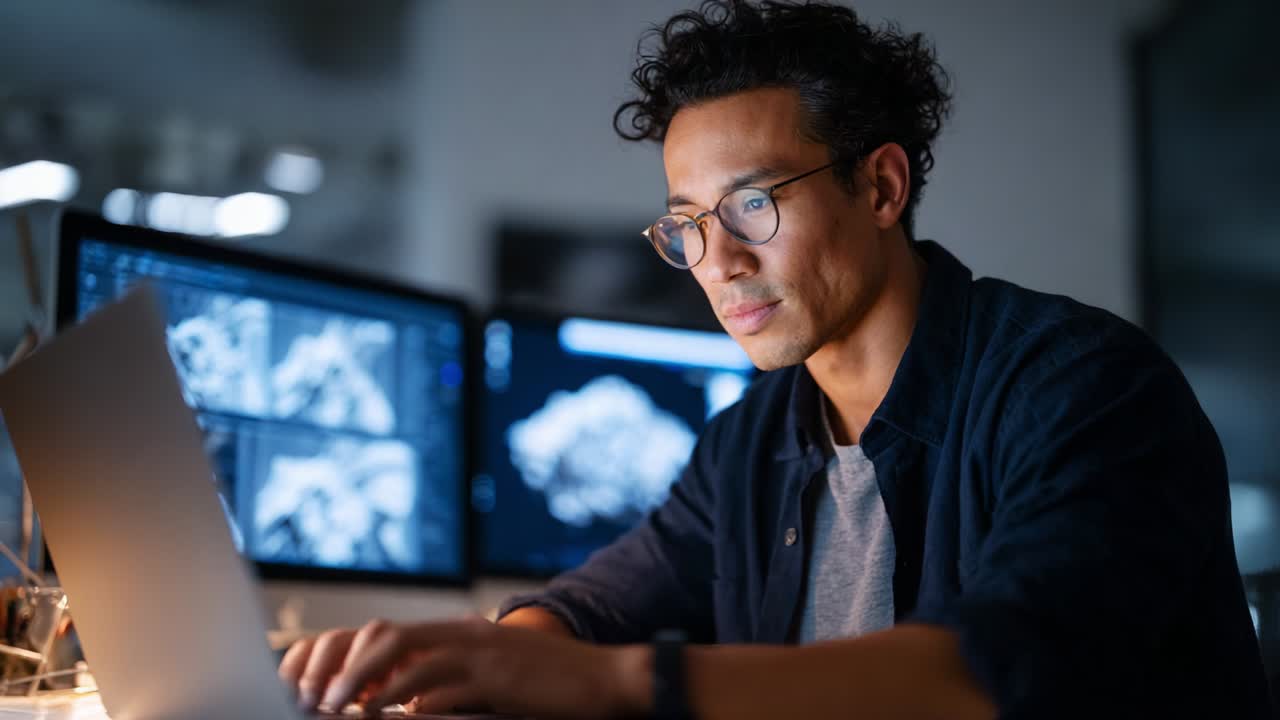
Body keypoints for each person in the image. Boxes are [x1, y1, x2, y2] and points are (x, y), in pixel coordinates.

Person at [278, 1, 1273, 717]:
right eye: (686, 227)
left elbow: (980, 680)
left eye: (753, 204)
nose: (718, 263)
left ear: (878, 187)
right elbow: (597, 601)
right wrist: (478, 669)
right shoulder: (749, 441)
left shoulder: (1083, 388)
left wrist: (607, 686)